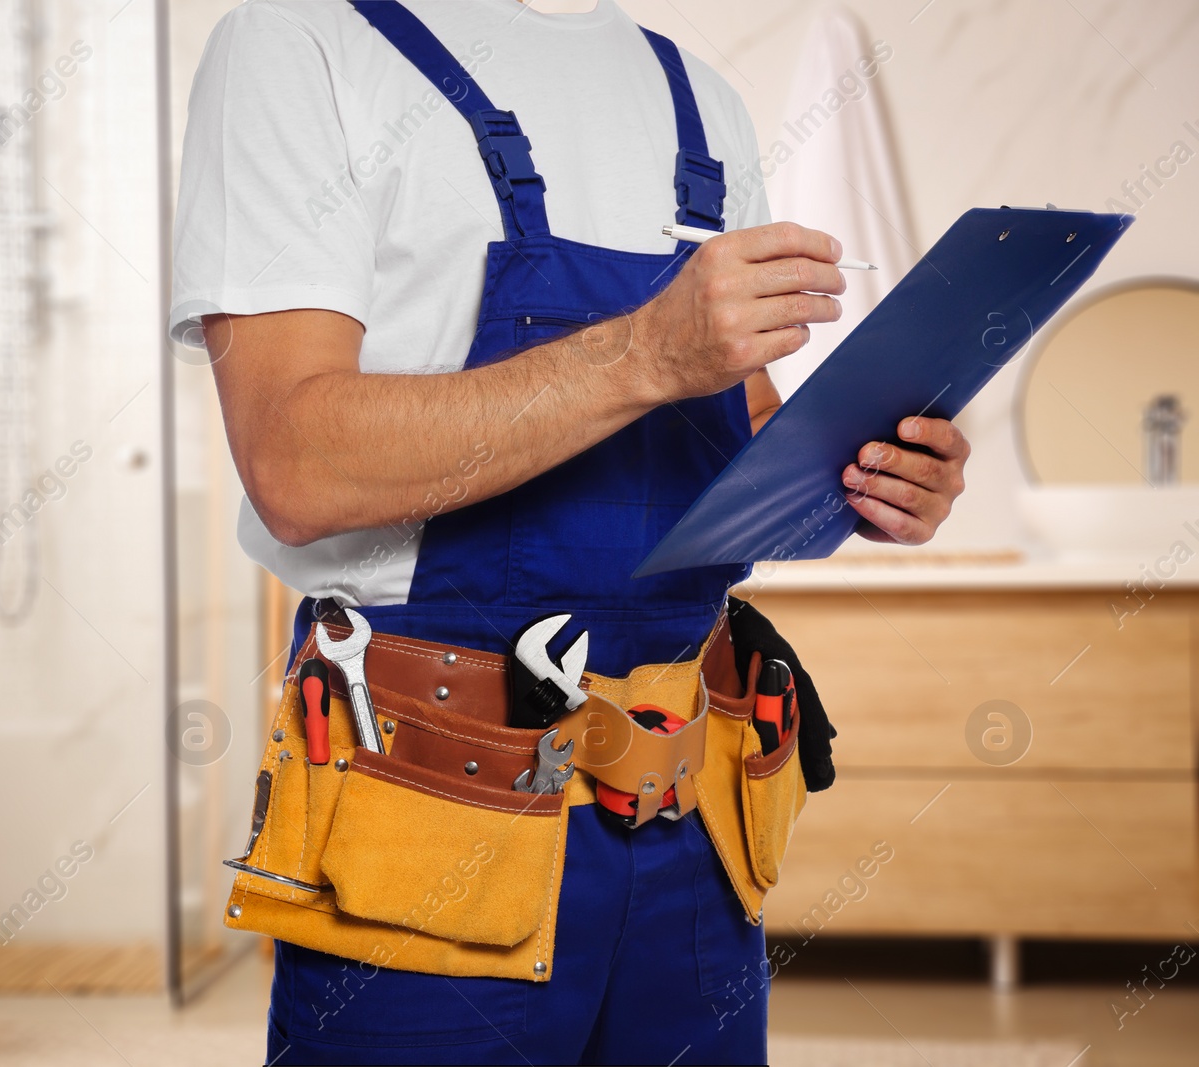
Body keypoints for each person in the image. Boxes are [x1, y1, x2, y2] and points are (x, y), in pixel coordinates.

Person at [170, 2, 969, 1063]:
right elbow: (294, 462)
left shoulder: (698, 94)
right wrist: (642, 351)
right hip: (430, 807)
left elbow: (737, 424)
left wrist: (865, 470)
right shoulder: (300, 44)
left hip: (689, 815)